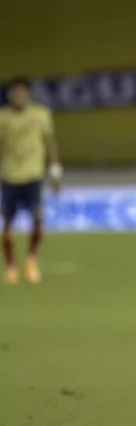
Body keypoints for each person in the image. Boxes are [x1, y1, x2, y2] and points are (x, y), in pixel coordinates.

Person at [0, 77, 62, 285]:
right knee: (8, 222)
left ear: (28, 95)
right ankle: (10, 266)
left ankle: (30, 259)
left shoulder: (40, 114)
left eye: (22, 93)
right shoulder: (3, 118)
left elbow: (49, 142)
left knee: (37, 218)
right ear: (10, 96)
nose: (19, 97)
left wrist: (55, 171)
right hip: (9, 175)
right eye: (15, 93)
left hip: (33, 175)